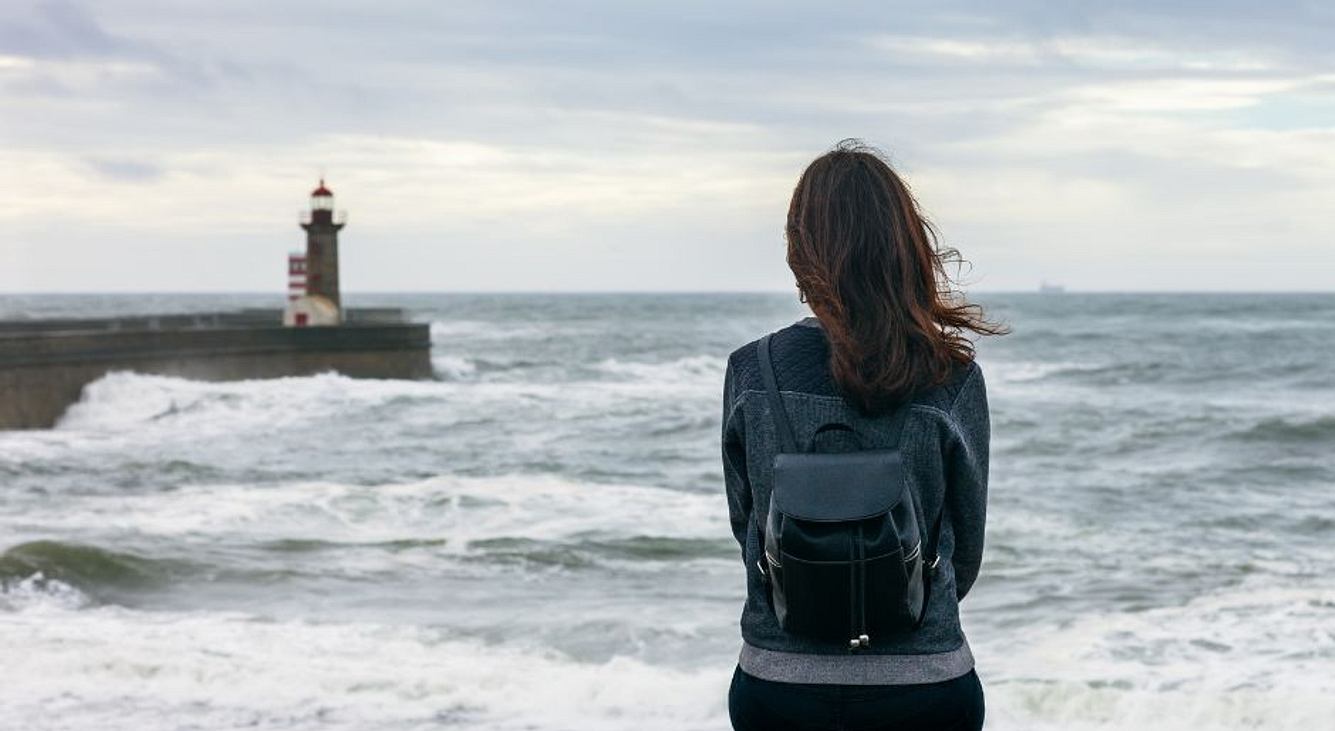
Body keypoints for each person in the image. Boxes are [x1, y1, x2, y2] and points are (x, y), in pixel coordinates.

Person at [721, 140, 1005, 731]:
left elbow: (749, 527)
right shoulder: (951, 376)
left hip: (780, 680)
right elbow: (966, 549)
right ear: (903, 247)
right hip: (924, 683)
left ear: (802, 252)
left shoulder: (754, 370)